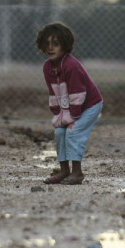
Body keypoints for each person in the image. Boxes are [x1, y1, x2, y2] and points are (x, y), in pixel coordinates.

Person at [35, 22, 103, 185]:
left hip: (88, 106)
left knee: (73, 131)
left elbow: (78, 94)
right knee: (59, 133)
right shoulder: (47, 67)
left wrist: (73, 115)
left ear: (65, 46)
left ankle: (77, 173)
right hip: (70, 108)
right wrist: (58, 113)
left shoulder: (71, 66)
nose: (50, 48)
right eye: (47, 44)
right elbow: (54, 93)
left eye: (56, 44)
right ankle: (64, 170)